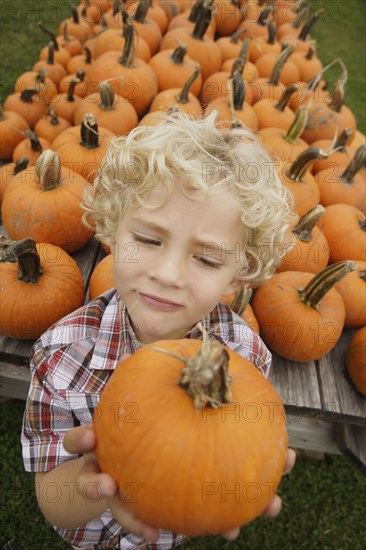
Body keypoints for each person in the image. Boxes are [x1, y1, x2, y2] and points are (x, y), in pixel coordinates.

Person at [21, 111, 296, 549]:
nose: (168, 274)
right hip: (91, 534)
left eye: (206, 259)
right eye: (149, 240)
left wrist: (247, 467)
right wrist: (103, 470)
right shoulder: (60, 356)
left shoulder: (245, 356)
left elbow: (232, 454)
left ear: (237, 275)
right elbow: (53, 499)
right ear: (113, 230)